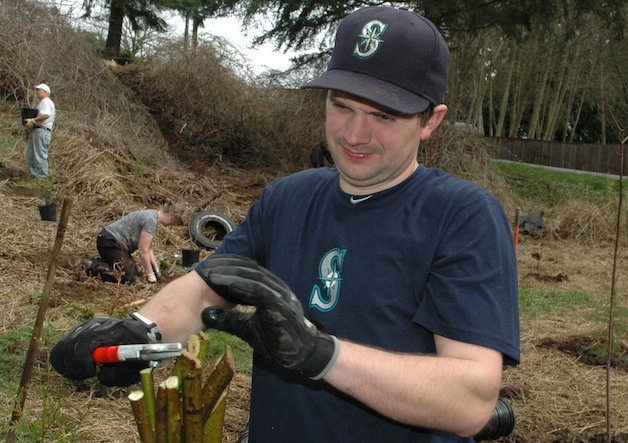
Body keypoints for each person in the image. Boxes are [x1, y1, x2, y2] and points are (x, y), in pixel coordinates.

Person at [51, 6, 520, 442]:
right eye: (341, 106)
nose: (354, 135)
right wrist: (141, 331)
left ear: (430, 120)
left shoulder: (462, 216)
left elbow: (471, 398)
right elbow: (208, 286)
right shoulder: (288, 198)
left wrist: (322, 354)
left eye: (384, 115)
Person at [86, 203, 184, 284]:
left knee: (135, 273)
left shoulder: (152, 216)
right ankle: (91, 267)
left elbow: (148, 248)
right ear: (170, 215)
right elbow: (143, 250)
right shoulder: (151, 220)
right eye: (173, 222)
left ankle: (104, 263)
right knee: (130, 278)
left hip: (115, 244)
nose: (171, 225)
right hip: (110, 243)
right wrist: (150, 275)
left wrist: (156, 269)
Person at [24, 83, 56, 178]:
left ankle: (41, 175)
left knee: (39, 153)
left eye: (39, 90)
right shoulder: (44, 102)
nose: (37, 92)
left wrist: (34, 120)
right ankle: (34, 174)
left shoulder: (46, 101)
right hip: (39, 130)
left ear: (45, 92)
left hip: (42, 131)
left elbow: (46, 114)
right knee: (32, 153)